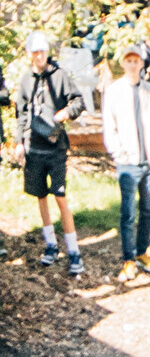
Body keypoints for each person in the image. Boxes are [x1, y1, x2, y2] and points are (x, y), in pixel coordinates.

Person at [11, 38, 87, 279]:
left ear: (47, 52)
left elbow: (79, 101)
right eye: (34, 52)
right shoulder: (26, 80)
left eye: (42, 51)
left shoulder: (59, 76)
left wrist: (66, 113)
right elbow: (21, 114)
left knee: (60, 197)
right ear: (29, 53)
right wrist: (19, 142)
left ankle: (73, 250)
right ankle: (51, 245)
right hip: (34, 148)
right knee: (41, 196)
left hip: (55, 148)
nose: (39, 55)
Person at [99, 40, 150, 282]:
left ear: (141, 63)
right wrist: (118, 151)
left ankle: (142, 252)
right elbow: (109, 124)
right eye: (128, 60)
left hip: (148, 159)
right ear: (123, 63)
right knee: (128, 212)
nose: (132, 64)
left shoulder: (149, 91)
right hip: (127, 160)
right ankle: (128, 258)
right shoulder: (114, 91)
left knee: (147, 209)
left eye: (136, 60)